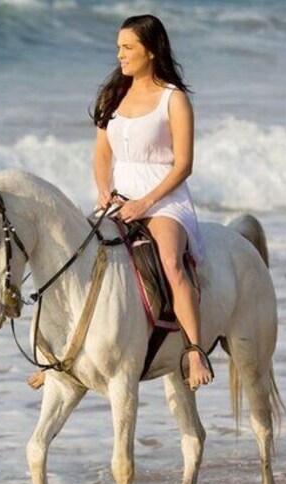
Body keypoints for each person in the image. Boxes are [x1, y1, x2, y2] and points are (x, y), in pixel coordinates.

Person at [92, 14, 212, 391]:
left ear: (151, 50)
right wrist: (103, 191)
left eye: (128, 48)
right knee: (77, 254)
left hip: (162, 199)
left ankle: (194, 349)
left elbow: (184, 165)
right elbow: (101, 156)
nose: (120, 55)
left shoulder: (173, 100)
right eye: (118, 48)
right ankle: (60, 355)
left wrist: (144, 204)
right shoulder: (112, 95)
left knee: (170, 262)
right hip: (118, 198)